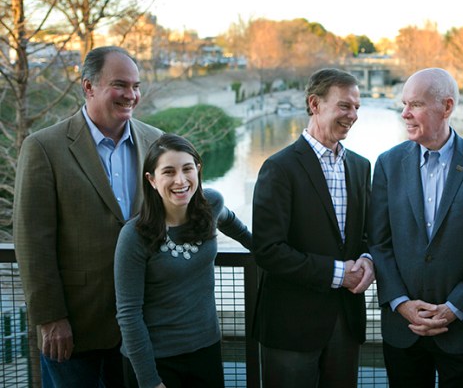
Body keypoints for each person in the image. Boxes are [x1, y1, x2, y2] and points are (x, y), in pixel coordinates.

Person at [13, 46, 162, 387]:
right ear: (88, 87)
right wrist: (51, 319)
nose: (131, 95)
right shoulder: (44, 148)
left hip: (143, 328)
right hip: (74, 331)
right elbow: (32, 242)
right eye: (120, 84)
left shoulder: (156, 142)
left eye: (136, 85)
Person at [368, 67, 463, 388]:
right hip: (404, 330)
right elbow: (379, 243)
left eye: (415, 105)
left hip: (461, 329)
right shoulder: (388, 164)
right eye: (404, 104)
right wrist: (401, 303)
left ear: (447, 107)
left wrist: (454, 308)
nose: (405, 114)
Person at [251, 68, 373, 388]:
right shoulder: (279, 168)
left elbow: (367, 235)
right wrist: (338, 274)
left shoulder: (361, 167)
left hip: (345, 324)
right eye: (344, 106)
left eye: (357, 107)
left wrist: (368, 261)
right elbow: (268, 250)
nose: (353, 115)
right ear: (315, 104)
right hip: (292, 327)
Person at [114, 134, 251, 388]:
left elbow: (234, 224)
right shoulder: (134, 236)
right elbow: (128, 314)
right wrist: (150, 381)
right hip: (156, 360)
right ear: (152, 180)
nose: (180, 180)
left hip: (206, 349)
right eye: (168, 172)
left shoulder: (211, 204)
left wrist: (269, 252)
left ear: (198, 170)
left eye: (187, 168)